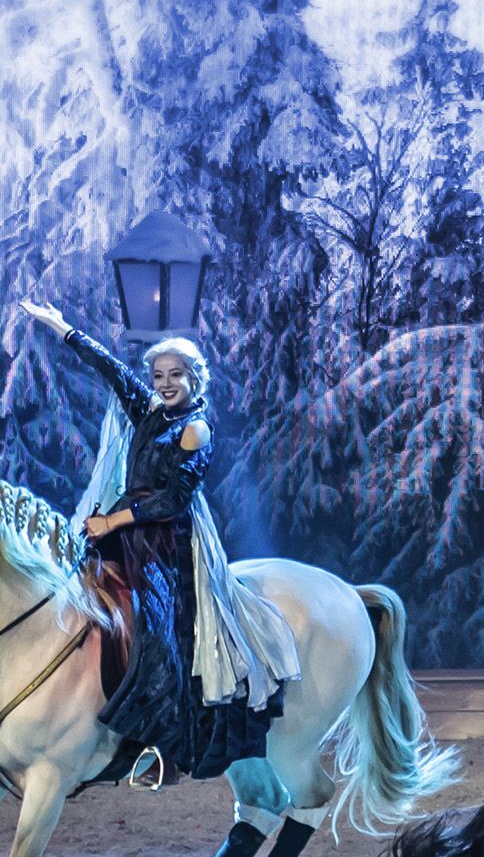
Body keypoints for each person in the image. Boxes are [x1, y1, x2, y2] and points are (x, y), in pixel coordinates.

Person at [21, 302, 291, 788]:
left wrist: (111, 522)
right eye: (159, 375)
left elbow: (172, 501)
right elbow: (112, 370)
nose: (165, 383)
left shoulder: (196, 429)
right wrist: (61, 328)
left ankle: (162, 744)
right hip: (128, 526)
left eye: (175, 375)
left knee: (159, 628)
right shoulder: (150, 411)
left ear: (194, 379)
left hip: (170, 538)